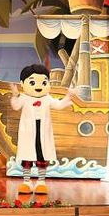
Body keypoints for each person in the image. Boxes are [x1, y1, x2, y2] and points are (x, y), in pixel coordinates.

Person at [10, 64, 74, 194]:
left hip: (42, 132)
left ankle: (41, 182)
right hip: (28, 132)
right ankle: (26, 182)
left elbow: (58, 105)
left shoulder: (47, 98)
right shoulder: (24, 98)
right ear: (22, 83)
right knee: (27, 156)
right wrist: (15, 95)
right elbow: (16, 106)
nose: (38, 86)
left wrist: (68, 96)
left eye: (44, 82)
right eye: (32, 83)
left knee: (42, 156)